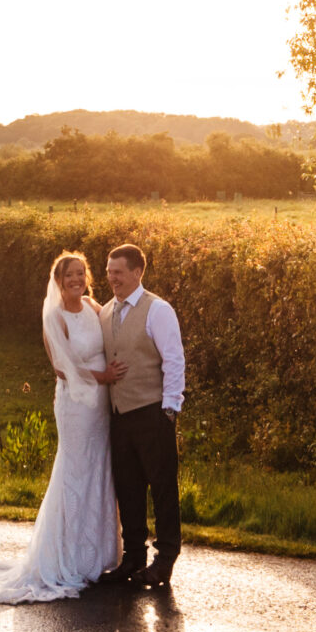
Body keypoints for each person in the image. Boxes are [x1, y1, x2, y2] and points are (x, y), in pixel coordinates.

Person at [0, 253, 120, 602]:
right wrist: (104, 376)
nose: (76, 279)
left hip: (101, 406)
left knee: (98, 469)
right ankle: (68, 559)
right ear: (58, 279)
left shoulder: (94, 306)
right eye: (70, 275)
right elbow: (62, 368)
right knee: (75, 471)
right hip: (77, 404)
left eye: (81, 273)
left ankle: (97, 556)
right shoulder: (55, 315)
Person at [92, 242, 183, 593]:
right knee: (127, 488)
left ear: (136, 272)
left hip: (153, 410)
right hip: (119, 414)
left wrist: (170, 409)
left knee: (162, 487)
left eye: (118, 272)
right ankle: (133, 556)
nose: (112, 278)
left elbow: (174, 359)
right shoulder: (106, 311)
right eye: (109, 272)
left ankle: (165, 559)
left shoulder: (157, 310)